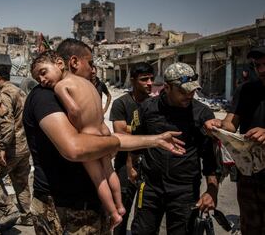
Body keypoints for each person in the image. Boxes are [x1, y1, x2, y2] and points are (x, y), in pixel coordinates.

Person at [23, 38, 185, 235]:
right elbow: (75, 148)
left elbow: (105, 140)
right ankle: (117, 209)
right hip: (61, 207)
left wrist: (156, 139)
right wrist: (111, 142)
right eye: (90, 63)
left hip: (88, 205)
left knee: (105, 175)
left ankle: (117, 211)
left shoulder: (80, 88)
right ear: (73, 62)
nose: (93, 70)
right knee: (106, 174)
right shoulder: (45, 95)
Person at [31, 51, 125, 228]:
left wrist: (74, 127)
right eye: (38, 79)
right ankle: (120, 205)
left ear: (59, 63)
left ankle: (114, 213)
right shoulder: (87, 82)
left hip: (87, 134)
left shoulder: (60, 87)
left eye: (43, 73)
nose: (42, 81)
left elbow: (74, 110)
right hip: (102, 130)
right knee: (109, 171)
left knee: (99, 179)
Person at [130, 62, 219, 235]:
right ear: (167, 87)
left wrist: (212, 191)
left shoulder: (203, 114)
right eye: (183, 91)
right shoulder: (147, 108)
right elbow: (135, 141)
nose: (190, 95)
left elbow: (211, 158)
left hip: (184, 191)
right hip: (150, 188)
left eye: (193, 90)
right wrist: (131, 167)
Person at [205, 46, 265, 235]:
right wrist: (218, 125)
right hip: (250, 172)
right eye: (257, 65)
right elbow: (231, 123)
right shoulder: (246, 90)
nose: (261, 70)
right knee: (251, 224)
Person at [0, 64, 32, 231]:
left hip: (11, 147)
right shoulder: (19, 92)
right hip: (24, 146)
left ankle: (9, 210)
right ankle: (26, 216)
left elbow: (7, 124)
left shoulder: (3, 94)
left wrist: (2, 147)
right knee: (21, 182)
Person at [110, 62, 154, 235]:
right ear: (133, 80)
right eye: (144, 79)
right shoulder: (121, 104)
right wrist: (144, 134)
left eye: (151, 78)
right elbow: (120, 135)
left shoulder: (155, 104)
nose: (149, 83)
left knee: (145, 214)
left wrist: (134, 131)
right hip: (124, 165)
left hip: (150, 164)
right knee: (121, 210)